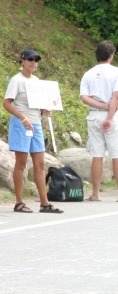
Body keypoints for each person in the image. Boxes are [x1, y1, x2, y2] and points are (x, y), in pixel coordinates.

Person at [2, 49, 63, 214]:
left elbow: (38, 103)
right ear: (22, 61)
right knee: (21, 163)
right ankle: (19, 202)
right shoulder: (17, 80)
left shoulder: (37, 81)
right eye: (30, 59)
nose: (33, 62)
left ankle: (44, 203)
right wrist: (22, 117)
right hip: (21, 124)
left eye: (36, 60)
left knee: (40, 164)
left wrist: (45, 110)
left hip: (35, 124)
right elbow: (6, 103)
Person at [79, 41, 118, 202]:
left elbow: (84, 97)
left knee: (97, 155)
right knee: (117, 155)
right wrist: (109, 116)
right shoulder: (117, 72)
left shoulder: (88, 73)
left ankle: (95, 193)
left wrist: (100, 105)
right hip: (113, 116)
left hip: (94, 115)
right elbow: (116, 96)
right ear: (111, 55)